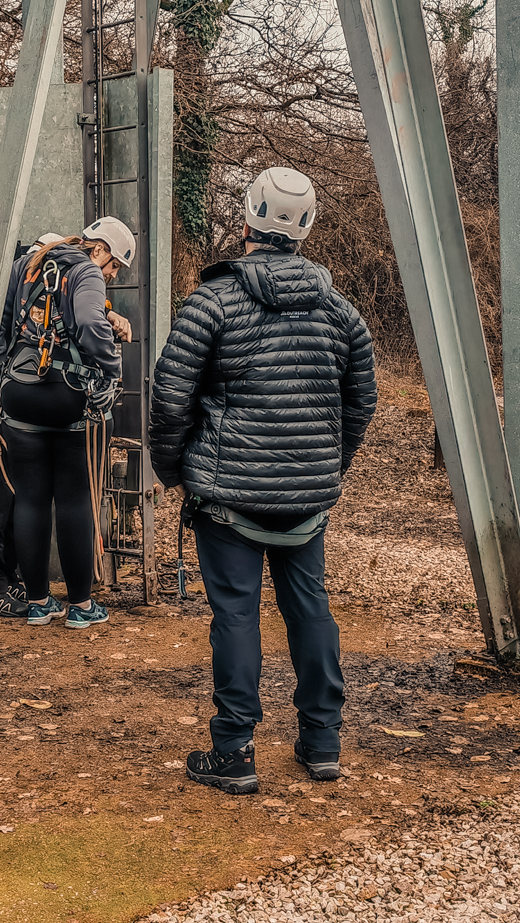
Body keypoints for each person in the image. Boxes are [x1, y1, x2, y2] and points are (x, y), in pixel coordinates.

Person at [150, 167, 377, 794]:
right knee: (310, 608)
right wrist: (329, 464)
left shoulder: (211, 304)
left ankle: (235, 752)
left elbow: (170, 399)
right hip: (306, 500)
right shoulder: (342, 313)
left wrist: (176, 471)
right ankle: (323, 742)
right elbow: (361, 402)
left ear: (247, 216)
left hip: (228, 499)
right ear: (306, 229)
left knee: (236, 615)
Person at [0, 232, 132, 618]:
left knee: (31, 499)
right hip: (66, 396)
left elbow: (2, 328)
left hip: (19, 394)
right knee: (75, 499)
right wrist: (111, 373)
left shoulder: (26, 266)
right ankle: (81, 605)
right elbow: (92, 327)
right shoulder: (86, 272)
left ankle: (39, 603)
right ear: (100, 250)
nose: (109, 275)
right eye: (113, 266)